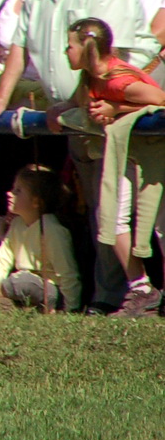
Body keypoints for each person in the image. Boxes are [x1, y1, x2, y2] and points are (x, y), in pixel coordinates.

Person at [0, 0, 158, 311]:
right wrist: (1, 98)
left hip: (110, 109)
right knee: (92, 207)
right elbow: (21, 42)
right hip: (74, 113)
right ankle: (98, 295)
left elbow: (101, 55)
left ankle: (117, 296)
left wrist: (73, 104)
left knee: (111, 208)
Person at [64, 17, 165, 315]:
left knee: (160, 224)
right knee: (111, 216)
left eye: (69, 46)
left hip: (151, 154)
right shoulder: (90, 77)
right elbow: (77, 103)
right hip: (125, 151)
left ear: (88, 48)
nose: (65, 51)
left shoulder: (120, 80)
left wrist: (116, 108)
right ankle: (141, 288)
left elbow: (160, 99)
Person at [0, 165, 80, 312]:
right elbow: (2, 261)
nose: (9, 193)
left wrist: (70, 308)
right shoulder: (17, 224)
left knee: (23, 282)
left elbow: (68, 273)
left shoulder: (52, 229)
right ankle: (1, 303)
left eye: (18, 191)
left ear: (36, 202)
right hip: (17, 283)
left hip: (45, 289)